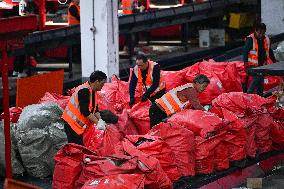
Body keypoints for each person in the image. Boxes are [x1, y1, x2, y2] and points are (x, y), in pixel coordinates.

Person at [62, 70, 107, 145]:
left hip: (77, 125)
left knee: (78, 148)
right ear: (96, 82)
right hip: (71, 124)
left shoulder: (93, 91)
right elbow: (85, 111)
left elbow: (95, 110)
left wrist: (101, 120)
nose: (102, 86)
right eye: (102, 84)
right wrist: (98, 122)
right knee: (76, 149)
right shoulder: (84, 91)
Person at [243, 23, 276, 96]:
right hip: (251, 66)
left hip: (261, 65)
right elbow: (245, 52)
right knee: (258, 75)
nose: (261, 35)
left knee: (260, 79)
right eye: (260, 33)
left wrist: (274, 61)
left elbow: (270, 51)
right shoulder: (250, 39)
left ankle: (260, 95)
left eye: (263, 33)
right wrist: (246, 65)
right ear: (256, 31)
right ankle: (248, 94)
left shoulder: (266, 39)